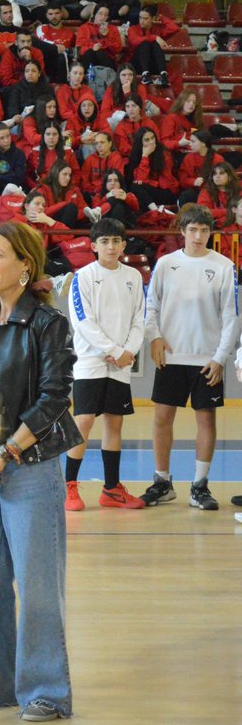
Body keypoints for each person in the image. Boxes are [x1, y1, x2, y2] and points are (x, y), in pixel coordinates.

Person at [0, 221, 77, 722]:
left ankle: (46, 690)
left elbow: (54, 399)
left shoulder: (48, 324)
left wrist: (4, 455)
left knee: (37, 584)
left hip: (29, 469)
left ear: (26, 265)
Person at [141, 204, 240, 510]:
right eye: (193, 230)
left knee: (206, 419)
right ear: (182, 231)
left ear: (211, 233)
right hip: (171, 356)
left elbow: (231, 318)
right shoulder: (166, 264)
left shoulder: (224, 266)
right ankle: (162, 481)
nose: (199, 236)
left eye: (204, 230)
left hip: (207, 359)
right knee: (161, 417)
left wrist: (220, 357)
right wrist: (154, 336)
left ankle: (199, 486)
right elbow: (151, 306)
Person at [64, 217, 146, 511]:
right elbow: (82, 321)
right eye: (104, 242)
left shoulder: (133, 277)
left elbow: (140, 319)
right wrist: (111, 349)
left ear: (124, 244)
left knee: (114, 422)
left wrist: (127, 351)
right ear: (93, 246)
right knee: (84, 421)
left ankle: (111, 489)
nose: (110, 247)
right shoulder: (82, 276)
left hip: (121, 361)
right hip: (90, 360)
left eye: (115, 241)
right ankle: (69, 486)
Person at [125, 5, 179, 88]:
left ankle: (163, 74)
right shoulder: (133, 29)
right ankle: (145, 74)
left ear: (153, 19)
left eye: (145, 18)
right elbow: (134, 41)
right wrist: (155, 37)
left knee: (155, 44)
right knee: (145, 43)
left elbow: (174, 28)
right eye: (140, 18)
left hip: (153, 64)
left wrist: (161, 17)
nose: (141, 21)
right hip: (136, 64)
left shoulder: (157, 29)